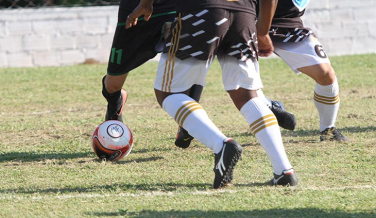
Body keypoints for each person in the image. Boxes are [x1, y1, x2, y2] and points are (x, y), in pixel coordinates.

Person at [127, 0, 298, 187]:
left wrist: (145, 3)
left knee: (168, 94)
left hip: (201, 10)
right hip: (244, 15)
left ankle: (222, 145)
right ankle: (284, 171)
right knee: (248, 95)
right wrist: (263, 31)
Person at [259, 0, 349, 142]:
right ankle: (266, 105)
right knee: (240, 82)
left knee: (326, 74)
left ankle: (327, 129)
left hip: (288, 24)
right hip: (248, 20)